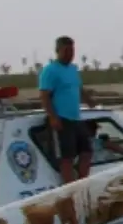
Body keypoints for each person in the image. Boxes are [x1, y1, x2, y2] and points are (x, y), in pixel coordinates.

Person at [38, 36, 96, 183]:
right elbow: (44, 96)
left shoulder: (73, 69)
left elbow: (78, 87)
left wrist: (89, 100)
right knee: (66, 157)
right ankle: (70, 187)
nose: (70, 54)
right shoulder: (50, 70)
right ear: (58, 51)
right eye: (66, 50)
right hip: (61, 118)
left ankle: (83, 181)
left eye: (72, 50)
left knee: (87, 151)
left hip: (75, 117)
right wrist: (52, 117)